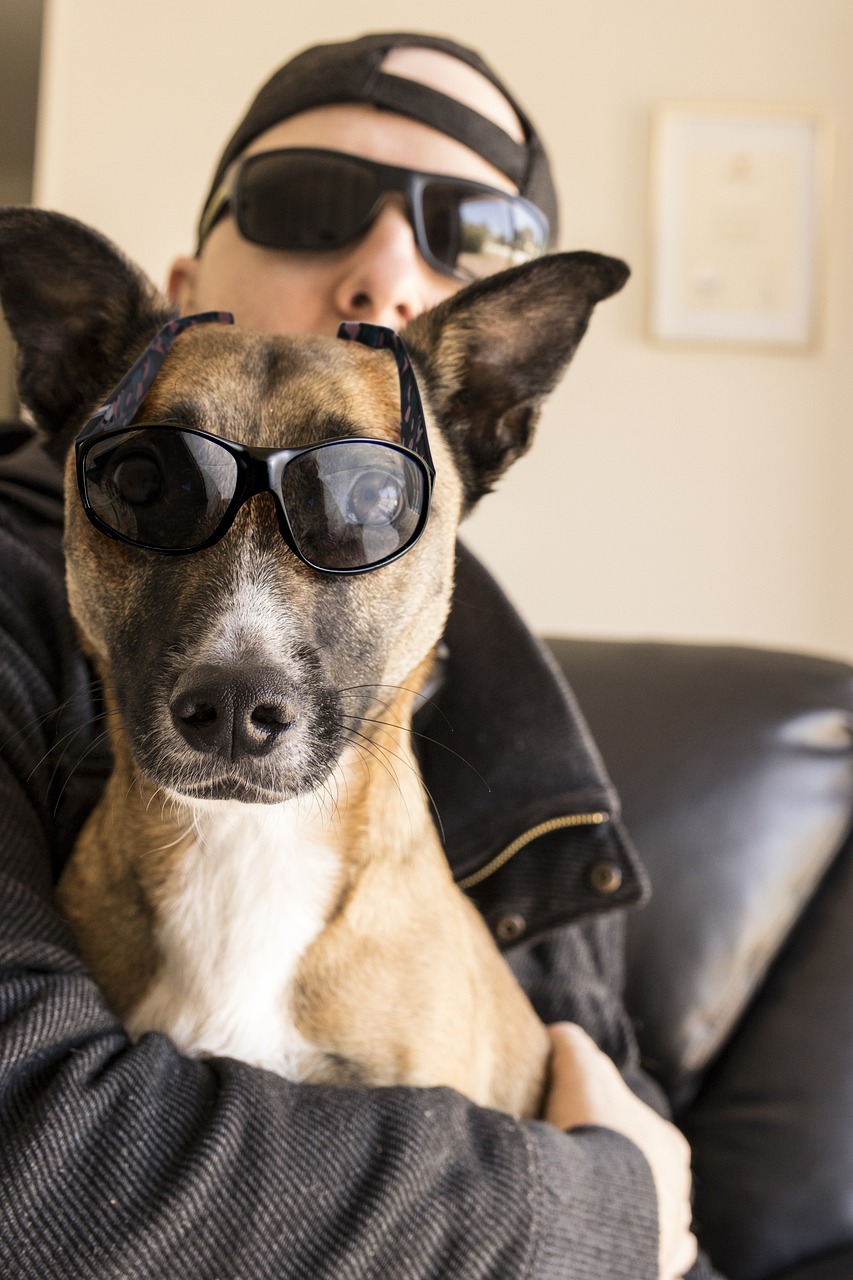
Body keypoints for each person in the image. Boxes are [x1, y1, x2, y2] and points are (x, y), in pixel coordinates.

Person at [0, 31, 719, 1279]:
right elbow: (39, 1162)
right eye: (309, 201)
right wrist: (598, 1208)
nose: (384, 270)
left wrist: (640, 1211)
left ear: (482, 422)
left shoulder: (535, 760)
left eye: (470, 233)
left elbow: (649, 1178)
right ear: (179, 287)